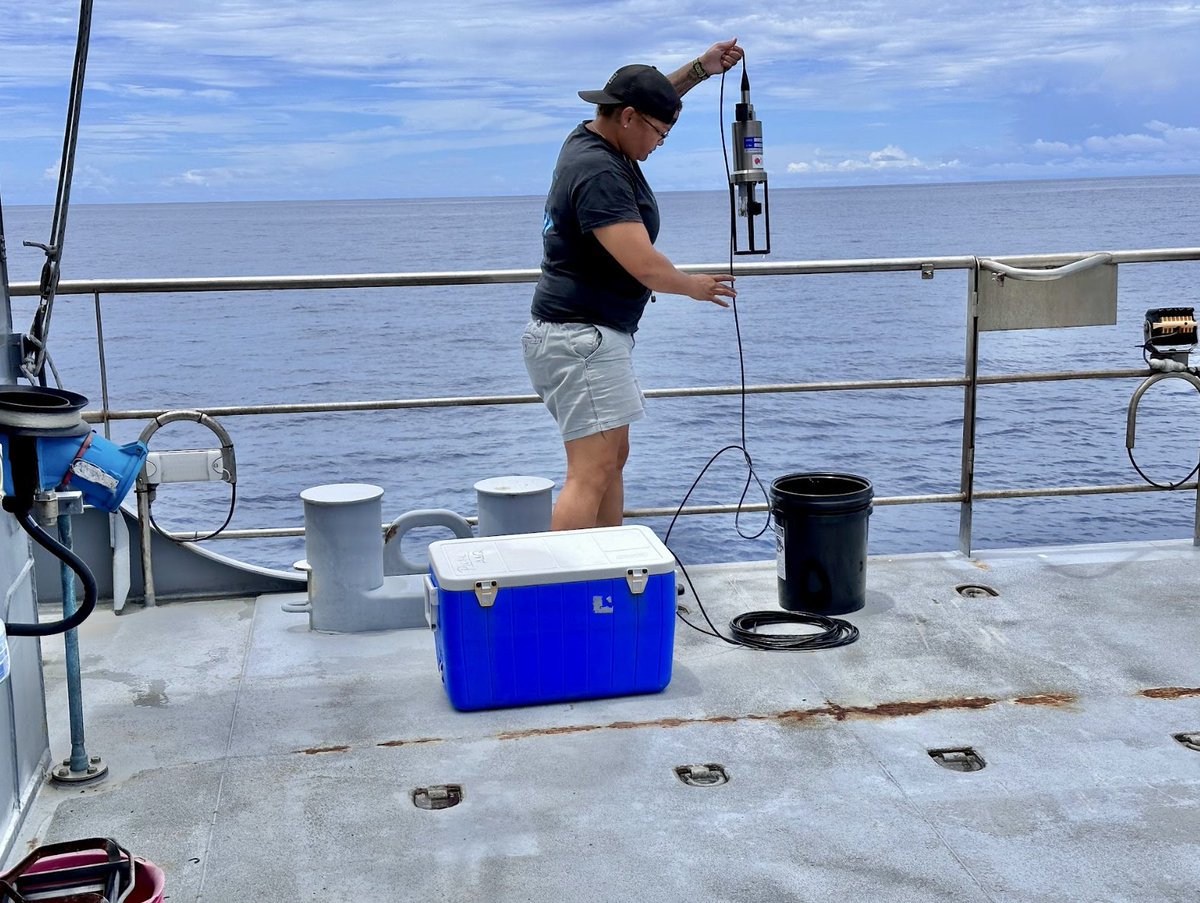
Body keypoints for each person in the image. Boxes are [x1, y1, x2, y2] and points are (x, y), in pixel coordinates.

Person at [522, 39, 744, 532]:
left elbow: (649, 95)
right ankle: (566, 592)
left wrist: (699, 70)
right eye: (661, 134)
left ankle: (607, 569)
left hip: (584, 336)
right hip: (581, 340)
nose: (660, 144)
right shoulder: (599, 171)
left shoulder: (592, 135)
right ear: (627, 119)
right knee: (590, 472)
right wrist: (695, 286)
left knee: (611, 460)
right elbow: (643, 264)